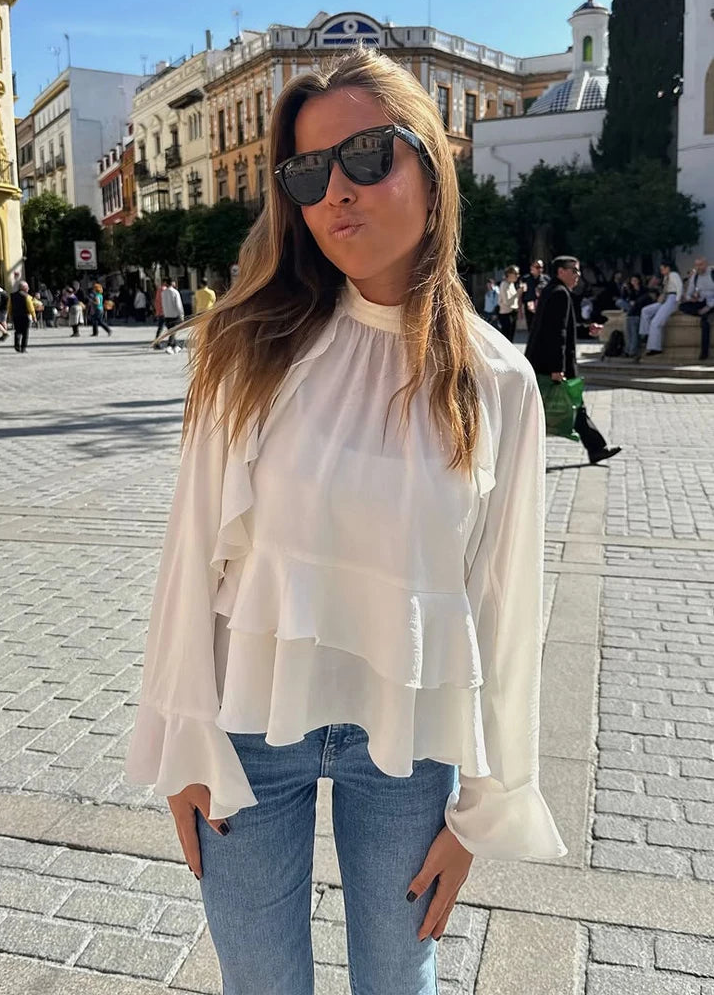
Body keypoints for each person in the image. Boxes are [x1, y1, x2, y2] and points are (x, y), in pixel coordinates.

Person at [125, 48, 566, 995]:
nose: (337, 191)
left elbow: (506, 606)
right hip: (246, 723)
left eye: (369, 154)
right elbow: (191, 554)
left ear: (432, 164)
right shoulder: (248, 348)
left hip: (408, 743)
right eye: (307, 171)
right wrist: (181, 738)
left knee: (398, 985)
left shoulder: (497, 384)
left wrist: (481, 812)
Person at [526, 256, 622, 465]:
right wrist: (557, 368)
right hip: (551, 364)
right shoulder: (559, 293)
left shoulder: (554, 291)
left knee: (575, 405)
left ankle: (596, 448)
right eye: (574, 271)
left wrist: (586, 329)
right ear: (561, 271)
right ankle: (595, 448)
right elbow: (556, 334)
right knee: (562, 406)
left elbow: (564, 328)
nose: (578, 275)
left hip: (545, 361)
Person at [639, 259, 683, 357]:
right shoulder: (666, 277)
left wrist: (678, 301)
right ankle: (645, 334)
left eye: (663, 269)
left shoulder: (674, 275)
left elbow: (679, 287)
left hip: (672, 298)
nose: (661, 271)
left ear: (668, 268)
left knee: (656, 322)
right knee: (645, 311)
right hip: (666, 298)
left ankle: (655, 348)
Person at [679, 257, 714, 362]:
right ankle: (700, 313)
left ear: (706, 264)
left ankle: (704, 353)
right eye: (697, 265)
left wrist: (708, 307)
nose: (699, 267)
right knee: (683, 306)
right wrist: (692, 298)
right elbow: (688, 294)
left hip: (712, 302)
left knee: (705, 323)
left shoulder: (712, 274)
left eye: (701, 265)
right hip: (701, 301)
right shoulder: (695, 277)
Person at [7, 280, 35, 353]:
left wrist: (9, 315)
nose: (28, 288)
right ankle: (23, 348)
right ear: (24, 288)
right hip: (25, 316)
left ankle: (16, 345)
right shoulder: (27, 296)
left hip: (16, 316)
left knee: (17, 331)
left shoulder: (12, 295)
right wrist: (34, 317)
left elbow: (9, 306)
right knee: (25, 332)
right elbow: (31, 308)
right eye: (27, 287)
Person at [521, 259, 549, 333]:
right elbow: (522, 293)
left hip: (542, 305)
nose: (540, 269)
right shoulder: (525, 279)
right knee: (531, 328)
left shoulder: (546, 279)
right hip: (530, 306)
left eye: (541, 267)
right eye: (537, 267)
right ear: (532, 267)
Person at [496, 265, 521, 342]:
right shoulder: (504, 284)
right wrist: (518, 293)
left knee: (511, 337)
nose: (518, 276)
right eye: (516, 273)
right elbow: (507, 301)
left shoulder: (512, 284)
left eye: (518, 273)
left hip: (513, 312)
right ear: (509, 274)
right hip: (506, 314)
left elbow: (514, 300)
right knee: (507, 338)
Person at [160, 277, 184, 353]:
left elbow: (163, 304)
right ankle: (169, 346)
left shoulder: (163, 293)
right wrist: (181, 314)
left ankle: (176, 346)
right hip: (175, 315)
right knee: (173, 332)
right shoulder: (175, 292)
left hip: (167, 315)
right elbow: (178, 304)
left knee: (171, 331)